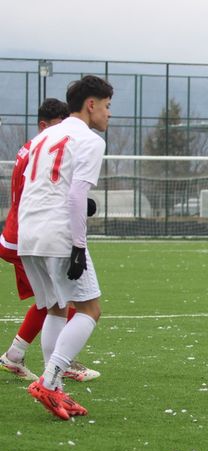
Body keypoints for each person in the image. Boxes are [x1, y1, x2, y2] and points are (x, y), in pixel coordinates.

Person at [18, 75, 113, 420]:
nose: (108, 113)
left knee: (57, 308)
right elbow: (75, 195)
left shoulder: (43, 136)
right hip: (58, 235)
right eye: (107, 106)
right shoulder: (89, 140)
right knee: (90, 310)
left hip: (29, 234)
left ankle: (54, 388)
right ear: (91, 104)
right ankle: (50, 380)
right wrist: (78, 245)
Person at [0, 99, 101, 383]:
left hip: (23, 234)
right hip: (36, 233)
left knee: (54, 303)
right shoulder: (49, 145)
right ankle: (54, 367)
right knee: (72, 305)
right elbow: (53, 192)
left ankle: (34, 365)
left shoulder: (33, 146)